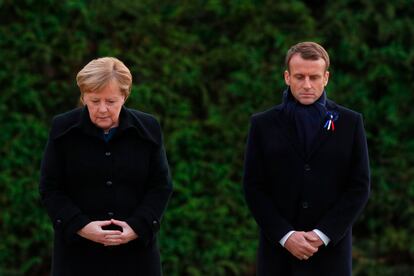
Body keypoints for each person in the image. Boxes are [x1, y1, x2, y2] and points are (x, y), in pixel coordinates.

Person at [243, 42, 370, 275]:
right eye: (299, 77)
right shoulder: (263, 124)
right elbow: (253, 187)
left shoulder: (350, 123)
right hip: (278, 255)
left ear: (326, 78)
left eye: (314, 77)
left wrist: (323, 234)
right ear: (287, 77)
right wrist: (286, 236)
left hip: (331, 254)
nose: (307, 85)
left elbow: (359, 186)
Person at [39, 57, 173, 275]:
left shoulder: (148, 128)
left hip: (136, 257)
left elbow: (160, 186)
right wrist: (81, 226)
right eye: (94, 101)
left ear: (124, 96)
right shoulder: (62, 129)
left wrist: (137, 227)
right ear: (83, 97)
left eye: (110, 102)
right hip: (77, 256)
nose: (102, 109)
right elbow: (50, 187)